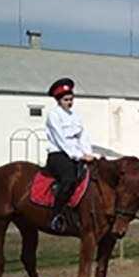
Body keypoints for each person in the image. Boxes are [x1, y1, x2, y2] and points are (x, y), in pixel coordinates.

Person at [44, 78, 94, 233]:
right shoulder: (53, 115)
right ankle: (56, 215)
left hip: (77, 153)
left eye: (71, 99)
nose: (69, 102)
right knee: (69, 179)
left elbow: (82, 136)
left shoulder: (75, 116)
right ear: (59, 100)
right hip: (58, 154)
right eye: (66, 100)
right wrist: (78, 156)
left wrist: (88, 153)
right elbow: (61, 140)